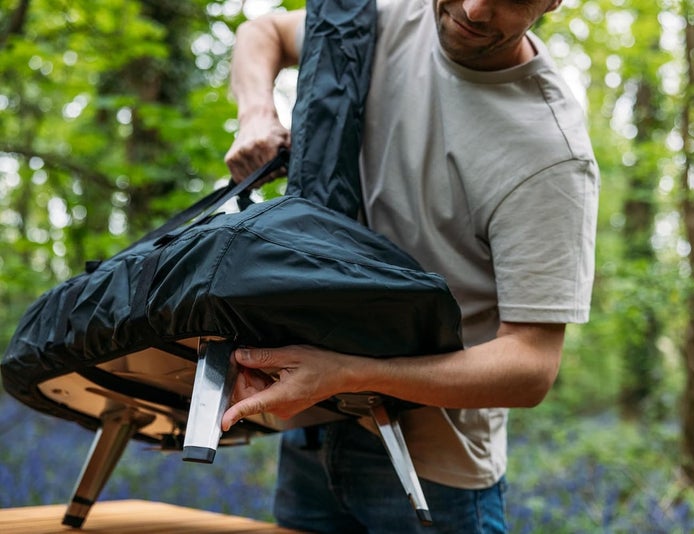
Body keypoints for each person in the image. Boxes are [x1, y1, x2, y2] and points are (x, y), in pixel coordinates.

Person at [221, 0, 599, 532]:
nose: (473, 8)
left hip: (430, 472)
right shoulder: (393, 16)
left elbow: (531, 366)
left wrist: (349, 374)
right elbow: (264, 32)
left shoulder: (549, 154)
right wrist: (256, 112)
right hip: (310, 438)